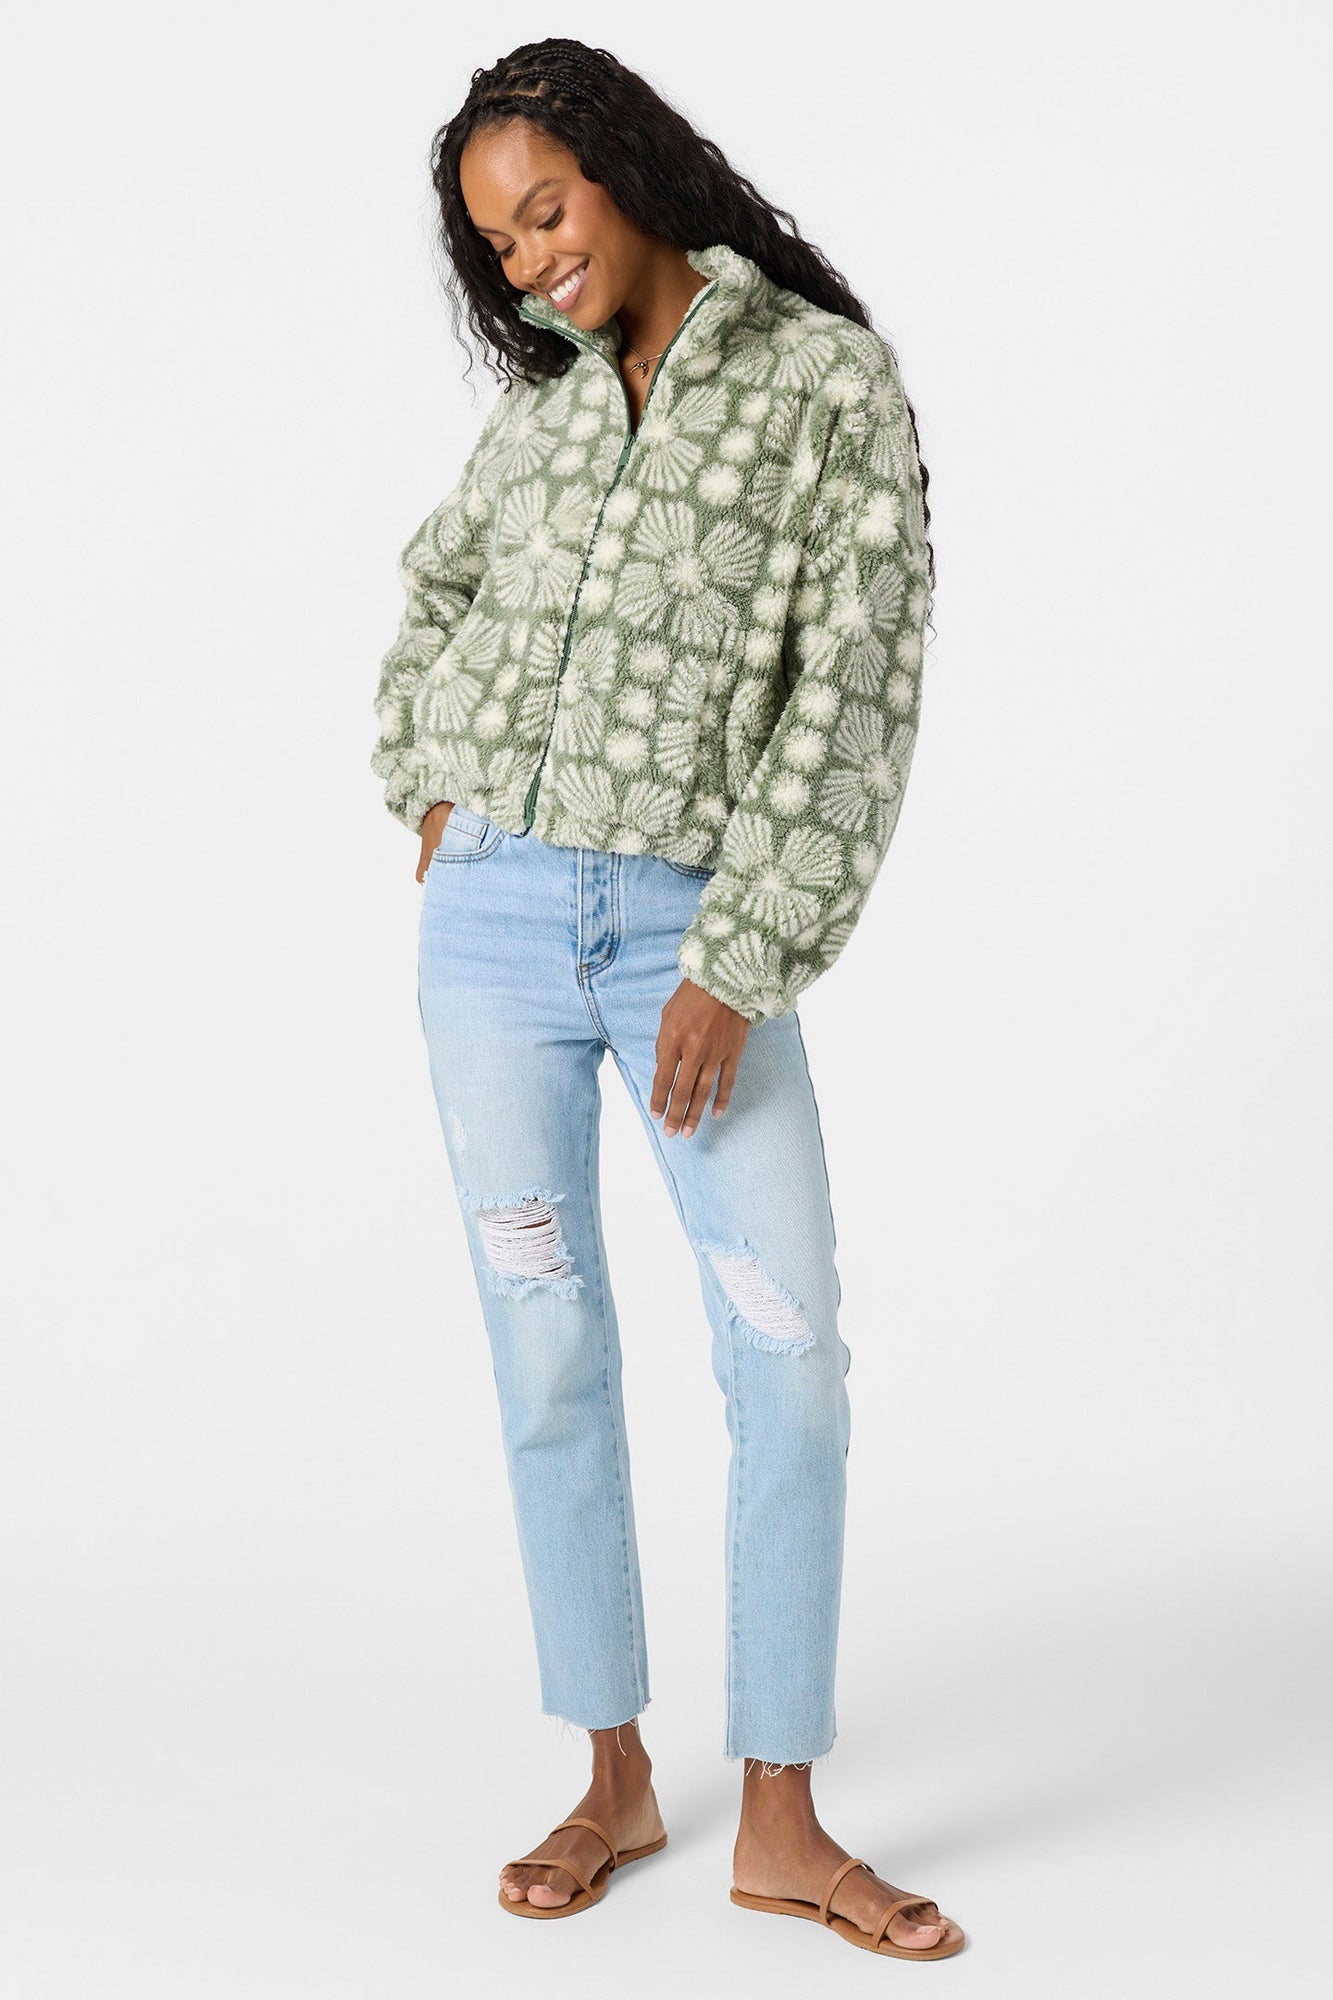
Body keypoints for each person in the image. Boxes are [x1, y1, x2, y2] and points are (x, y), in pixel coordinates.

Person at [370, 36, 965, 1964]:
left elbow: (855, 693)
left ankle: (780, 1818)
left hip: (690, 937)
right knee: (545, 1351)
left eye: (544, 210)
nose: (528, 258)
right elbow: (435, 590)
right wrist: (427, 778)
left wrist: (739, 955)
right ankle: (610, 1773)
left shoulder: (818, 382)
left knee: (784, 1357)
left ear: (624, 169)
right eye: (496, 242)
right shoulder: (544, 413)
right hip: (489, 930)